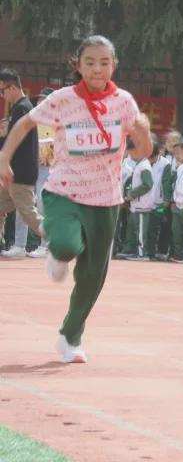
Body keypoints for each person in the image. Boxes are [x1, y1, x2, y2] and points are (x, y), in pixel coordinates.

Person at [0, 35, 152, 363]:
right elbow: (24, 124)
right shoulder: (64, 99)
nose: (97, 69)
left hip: (106, 199)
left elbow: (145, 151)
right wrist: (4, 158)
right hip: (65, 191)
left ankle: (70, 336)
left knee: (93, 274)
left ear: (114, 65)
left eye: (104, 62)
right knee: (68, 244)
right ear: (78, 66)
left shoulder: (124, 102)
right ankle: (57, 250)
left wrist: (142, 130)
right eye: (90, 62)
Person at [0, 68, 42, 258]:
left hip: (19, 173)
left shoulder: (23, 108)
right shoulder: (20, 108)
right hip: (13, 172)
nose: (2, 95)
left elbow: (15, 141)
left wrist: (4, 136)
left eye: (3, 90)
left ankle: (60, 242)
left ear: (14, 87)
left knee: (30, 215)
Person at [120, 137, 161, 260]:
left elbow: (148, 184)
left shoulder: (144, 165)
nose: (130, 155)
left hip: (142, 205)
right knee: (133, 230)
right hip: (135, 205)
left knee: (141, 231)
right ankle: (132, 251)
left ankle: (142, 253)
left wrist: (133, 193)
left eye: (132, 152)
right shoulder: (139, 164)